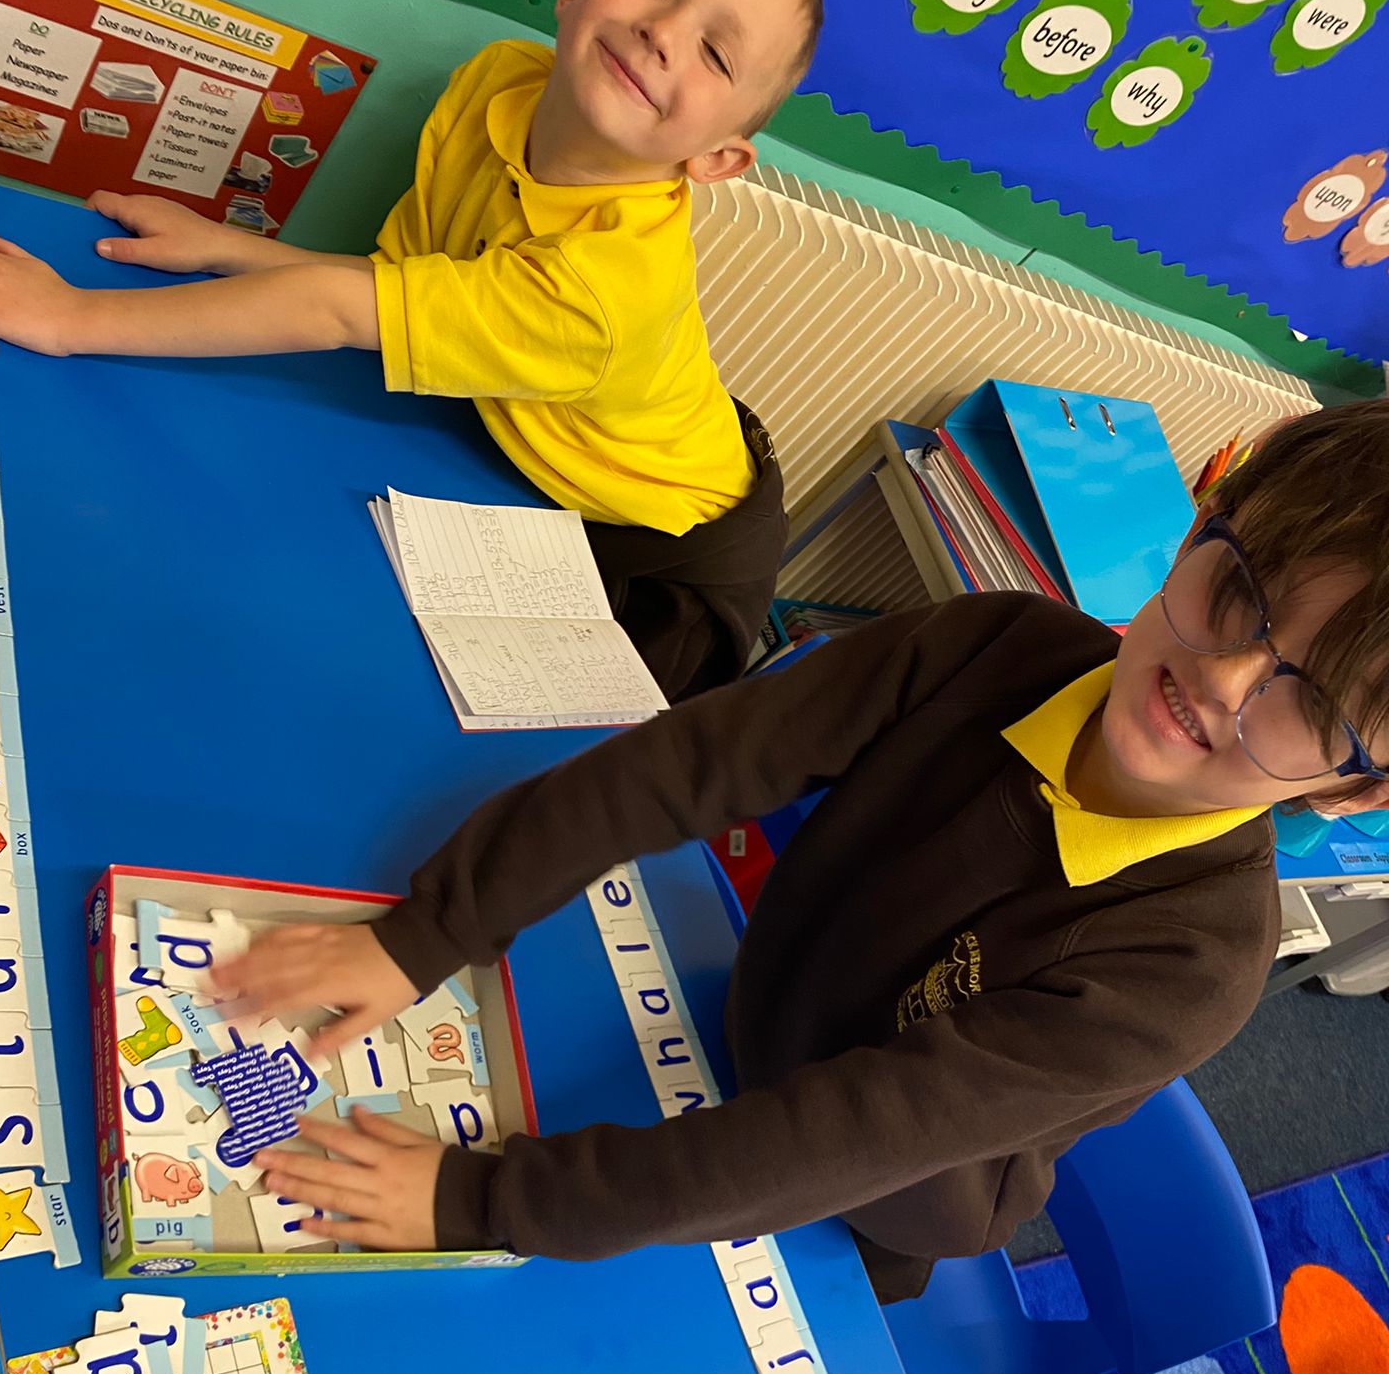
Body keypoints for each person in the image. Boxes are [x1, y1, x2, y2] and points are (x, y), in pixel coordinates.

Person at [214, 402, 1389, 1299]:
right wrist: (430, 933)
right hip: (748, 1013)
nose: (1224, 678)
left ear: (1351, 791)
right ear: (1195, 531)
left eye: (1310, 701)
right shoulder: (1000, 644)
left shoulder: (1194, 967)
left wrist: (485, 1199)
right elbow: (693, 761)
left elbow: (847, 1140)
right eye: (1240, 592)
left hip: (871, 1207)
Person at [0, 0, 823, 700]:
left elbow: (335, 313)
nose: (665, 33)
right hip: (570, 433)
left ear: (718, 158)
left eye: (717, 54)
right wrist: (224, 248)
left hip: (669, 548)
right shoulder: (498, 84)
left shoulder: (595, 295)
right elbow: (397, 288)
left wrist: (71, 316)